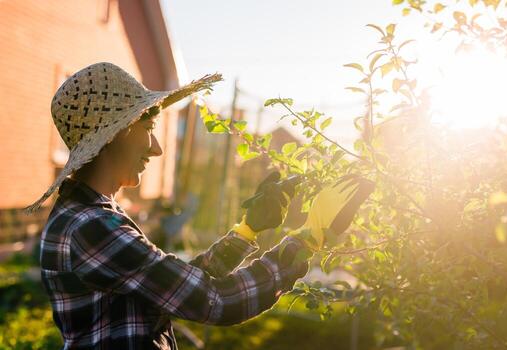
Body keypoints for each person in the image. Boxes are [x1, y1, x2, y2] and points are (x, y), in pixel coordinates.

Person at [28, 62, 373, 349]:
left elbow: (172, 288)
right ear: (113, 136)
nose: (157, 148)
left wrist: (246, 230)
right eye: (148, 128)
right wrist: (308, 238)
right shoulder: (92, 228)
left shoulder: (92, 217)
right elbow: (216, 301)